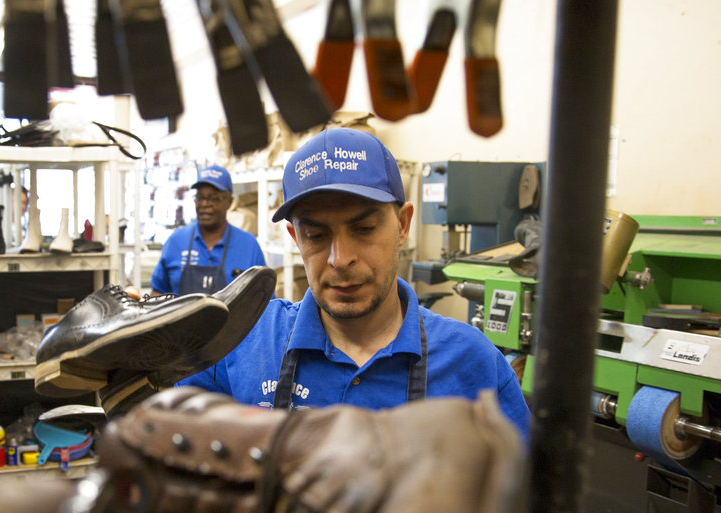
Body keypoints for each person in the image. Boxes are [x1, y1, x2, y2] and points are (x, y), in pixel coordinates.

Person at [180, 128, 530, 438]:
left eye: (364, 229)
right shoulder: (244, 341)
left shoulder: (472, 363)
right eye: (316, 235)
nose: (340, 258)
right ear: (295, 238)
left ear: (403, 225)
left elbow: (527, 487)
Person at [150, 165, 267, 295]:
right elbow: (157, 292)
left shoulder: (248, 246)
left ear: (229, 202)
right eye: (200, 198)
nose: (204, 204)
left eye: (213, 198)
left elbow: (264, 299)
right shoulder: (176, 241)